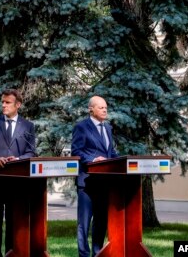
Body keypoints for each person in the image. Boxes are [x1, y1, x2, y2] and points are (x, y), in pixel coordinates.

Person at [0, 88, 36, 257]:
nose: (3, 105)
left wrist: (18, 160)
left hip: (17, 182)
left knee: (13, 223)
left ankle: (11, 254)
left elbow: (31, 151)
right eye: (2, 102)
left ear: (17, 105)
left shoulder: (28, 126)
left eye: (7, 102)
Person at [71, 95, 119, 257]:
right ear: (91, 109)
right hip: (87, 182)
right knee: (83, 224)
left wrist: (117, 161)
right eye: (101, 107)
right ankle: (83, 255)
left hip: (104, 183)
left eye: (106, 107)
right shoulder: (81, 127)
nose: (105, 110)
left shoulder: (108, 128)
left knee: (101, 221)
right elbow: (76, 151)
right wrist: (92, 160)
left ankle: (97, 253)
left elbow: (110, 152)